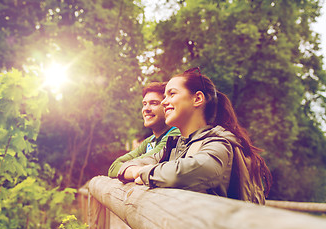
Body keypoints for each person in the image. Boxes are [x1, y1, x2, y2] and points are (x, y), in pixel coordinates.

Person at [117, 67, 272, 199]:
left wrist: (143, 173)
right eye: (164, 96)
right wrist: (136, 170)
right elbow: (125, 167)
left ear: (197, 98)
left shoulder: (219, 143)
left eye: (172, 94)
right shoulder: (174, 147)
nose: (164, 102)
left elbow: (188, 172)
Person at [108, 82, 180, 178]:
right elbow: (114, 168)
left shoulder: (177, 133)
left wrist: (128, 170)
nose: (146, 109)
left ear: (167, 105)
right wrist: (135, 171)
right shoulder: (150, 141)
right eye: (144, 104)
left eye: (153, 103)